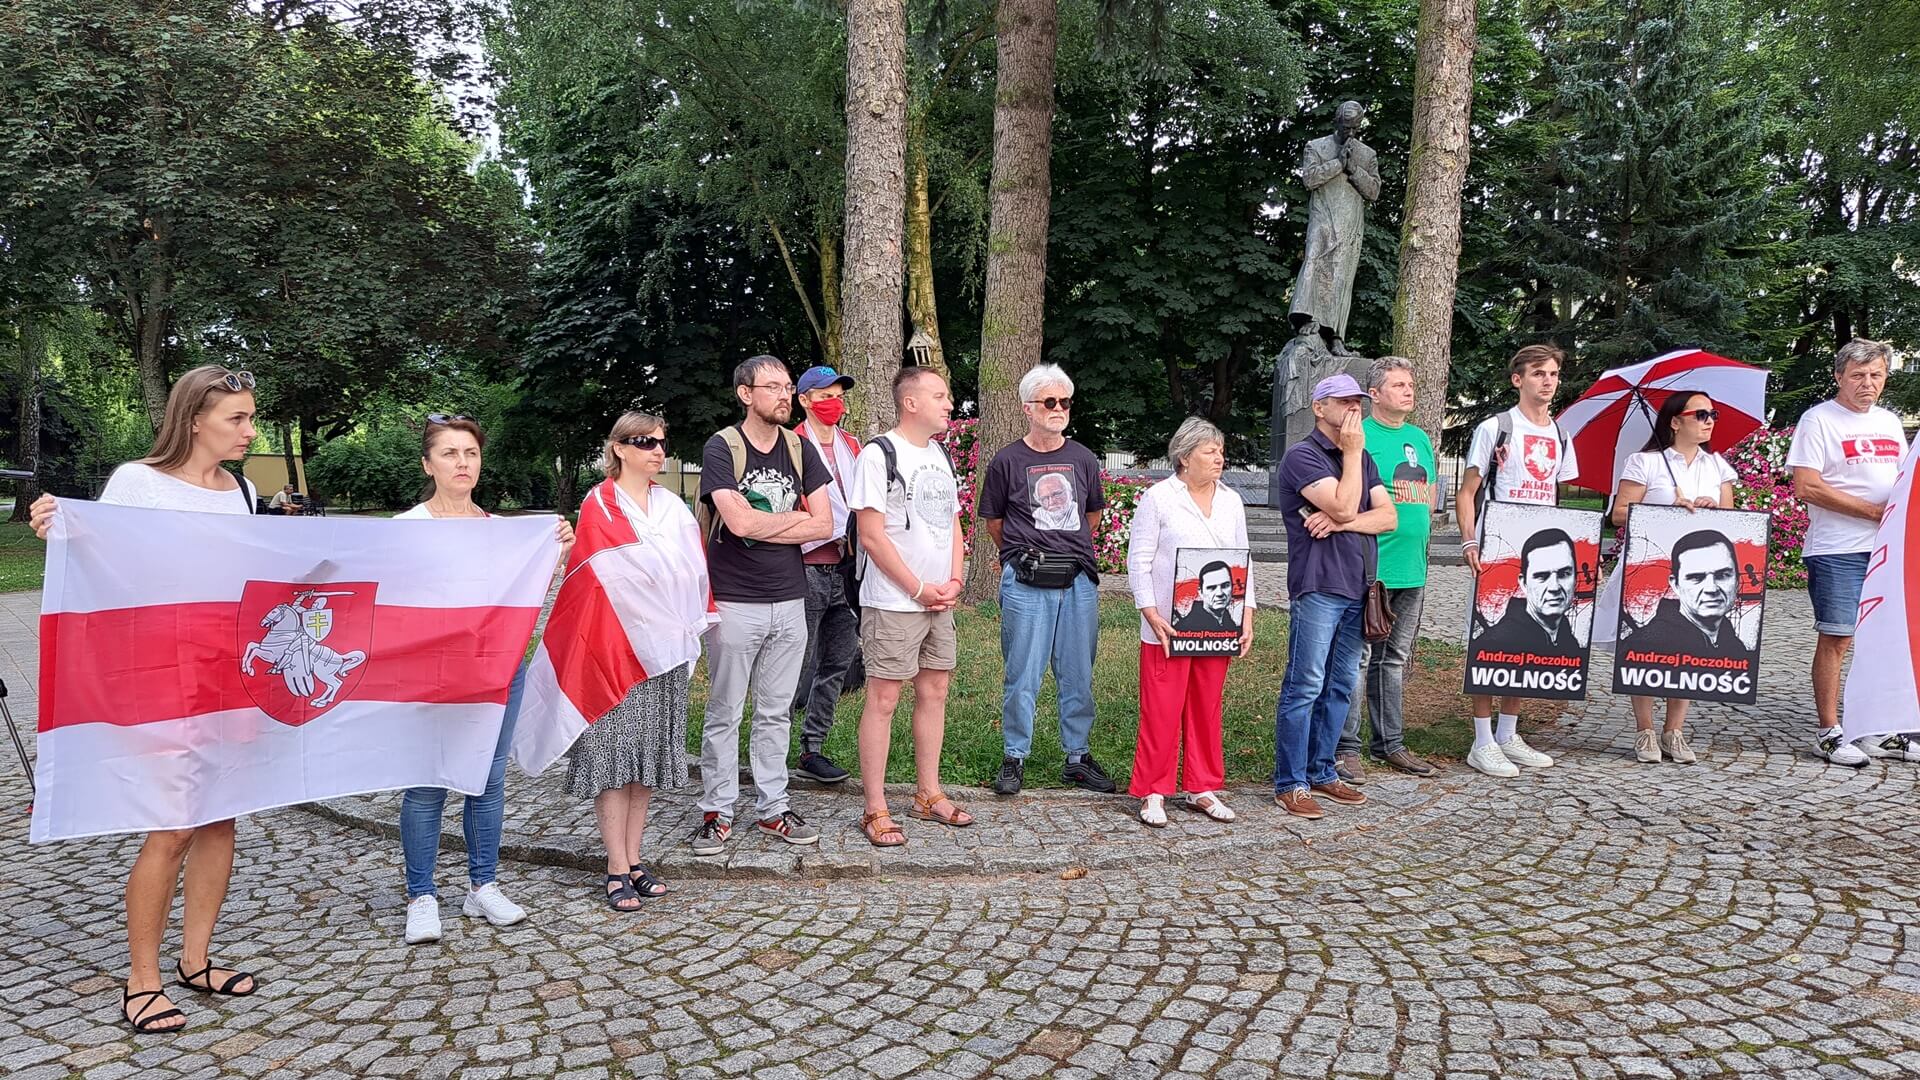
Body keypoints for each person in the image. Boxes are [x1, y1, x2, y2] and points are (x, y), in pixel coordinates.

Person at [30, 366, 264, 1032]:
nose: (250, 431)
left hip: (228, 674)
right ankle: (142, 981)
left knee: (220, 817)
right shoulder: (139, 482)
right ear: (194, 420)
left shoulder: (243, 490)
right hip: (164, 676)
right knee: (174, 823)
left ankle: (196, 960)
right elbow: (101, 560)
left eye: (251, 417)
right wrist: (58, 526)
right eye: (237, 418)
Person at [396, 415, 576, 944]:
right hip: (431, 671)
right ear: (428, 464)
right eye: (449, 453)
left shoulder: (504, 532)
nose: (462, 463)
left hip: (498, 668)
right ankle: (421, 894)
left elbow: (524, 591)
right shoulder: (406, 529)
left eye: (470, 453)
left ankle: (482, 885)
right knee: (427, 780)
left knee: (488, 779)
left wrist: (556, 549)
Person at [565, 412, 709, 910]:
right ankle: (614, 866)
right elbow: (593, 576)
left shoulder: (672, 508)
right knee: (614, 754)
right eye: (645, 442)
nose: (657, 450)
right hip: (615, 649)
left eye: (661, 442)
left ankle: (634, 858)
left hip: (664, 651)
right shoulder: (599, 503)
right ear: (619, 448)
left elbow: (693, 571)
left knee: (646, 757)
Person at [693, 355, 833, 855]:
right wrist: (792, 520)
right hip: (735, 600)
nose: (784, 395)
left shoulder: (799, 447)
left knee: (776, 712)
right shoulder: (722, 447)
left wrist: (764, 524)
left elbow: (825, 524)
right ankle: (717, 809)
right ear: (745, 394)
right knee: (725, 711)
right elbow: (738, 524)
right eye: (772, 387)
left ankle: (773, 807)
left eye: (788, 387)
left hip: (790, 598)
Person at [977, 363, 1114, 795]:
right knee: (1023, 673)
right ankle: (1014, 756)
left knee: (1078, 672)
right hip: (1026, 579)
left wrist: (1065, 548)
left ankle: (1077, 757)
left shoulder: (1083, 458)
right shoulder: (1007, 461)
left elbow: (1092, 514)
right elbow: (994, 522)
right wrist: (1021, 554)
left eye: (1065, 402)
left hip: (1077, 579)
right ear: (1028, 407)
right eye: (1049, 401)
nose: (1058, 409)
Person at [847, 368, 971, 846]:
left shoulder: (940, 454)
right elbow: (871, 535)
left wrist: (955, 579)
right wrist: (918, 588)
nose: (949, 403)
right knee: (884, 699)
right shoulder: (879, 454)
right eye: (940, 395)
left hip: (939, 600)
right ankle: (875, 808)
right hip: (894, 602)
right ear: (910, 402)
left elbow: (953, 523)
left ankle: (927, 793)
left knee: (935, 690)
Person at [1272, 374, 1398, 819]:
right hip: (1319, 585)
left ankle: (1322, 770)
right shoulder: (1303, 456)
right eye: (1343, 402)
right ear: (1319, 407)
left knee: (1341, 684)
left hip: (1359, 586)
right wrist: (1350, 455)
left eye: (1357, 402)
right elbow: (1345, 503)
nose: (1353, 410)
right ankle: (1291, 782)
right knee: (1305, 684)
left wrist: (1342, 522)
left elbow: (1388, 517)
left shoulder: (1361, 458)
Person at [1787, 338, 1916, 765]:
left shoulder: (1889, 422)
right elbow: (1807, 486)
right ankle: (1828, 731)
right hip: (1838, 548)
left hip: (1887, 549)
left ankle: (1879, 729)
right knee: (1837, 637)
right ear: (1839, 376)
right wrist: (1874, 512)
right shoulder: (1818, 420)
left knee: (1884, 639)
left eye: (1876, 375)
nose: (1868, 383)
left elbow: (1902, 481)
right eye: (1858, 375)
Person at [1456, 343, 1581, 779]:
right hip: (1498, 546)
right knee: (1490, 637)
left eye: (1553, 374)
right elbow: (1467, 491)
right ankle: (1482, 741)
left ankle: (1508, 733)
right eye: (1538, 373)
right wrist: (1469, 542)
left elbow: (1559, 498)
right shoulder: (1496, 427)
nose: (1548, 381)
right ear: (1518, 379)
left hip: (1540, 548)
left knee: (1527, 640)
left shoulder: (1561, 435)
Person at [1127, 417, 1255, 827]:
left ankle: (1202, 786)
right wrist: (1150, 612)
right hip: (1168, 625)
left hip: (1218, 624)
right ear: (1184, 457)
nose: (1219, 458)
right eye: (1209, 451)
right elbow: (1139, 560)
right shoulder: (1159, 499)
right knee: (1161, 708)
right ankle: (1153, 790)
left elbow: (1244, 559)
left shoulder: (1232, 501)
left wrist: (1247, 615)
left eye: (1220, 451)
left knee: (1206, 706)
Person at [1600, 390, 1737, 764]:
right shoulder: (1645, 462)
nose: (1709, 421)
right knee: (1645, 646)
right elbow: (1619, 514)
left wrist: (1711, 508)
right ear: (1675, 421)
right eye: (1701, 414)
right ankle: (1644, 729)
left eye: (1713, 414)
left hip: (1696, 574)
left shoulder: (1718, 467)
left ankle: (1674, 730)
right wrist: (1664, 507)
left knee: (1688, 648)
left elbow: (1732, 521)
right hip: (1648, 567)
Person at [1337, 357, 1439, 781]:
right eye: (1398, 385)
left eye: (1410, 384)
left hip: (1412, 568)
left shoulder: (1420, 438)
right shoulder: (1360, 436)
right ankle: (1345, 747)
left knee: (1392, 658)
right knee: (1358, 658)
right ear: (1375, 394)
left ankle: (1390, 743)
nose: (1408, 391)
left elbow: (1429, 495)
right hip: (1372, 567)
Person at [789, 365, 863, 785]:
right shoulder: (791, 446)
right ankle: (769, 750)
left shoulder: (853, 445)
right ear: (804, 400)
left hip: (847, 568)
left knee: (837, 662)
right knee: (795, 664)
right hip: (806, 566)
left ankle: (812, 748)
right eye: (824, 395)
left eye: (838, 395)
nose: (834, 402)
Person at [1472, 530, 1583, 659]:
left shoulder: (1568, 641)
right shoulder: (1494, 644)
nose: (1554, 587)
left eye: (1564, 574)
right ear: (1523, 583)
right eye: (1542, 576)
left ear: (1576, 579)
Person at [1172, 561, 1240, 633]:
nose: (1220, 593)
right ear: (1200, 592)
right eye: (1211, 588)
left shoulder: (1229, 623)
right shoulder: (1185, 628)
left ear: (1232, 587)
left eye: (1225, 585)